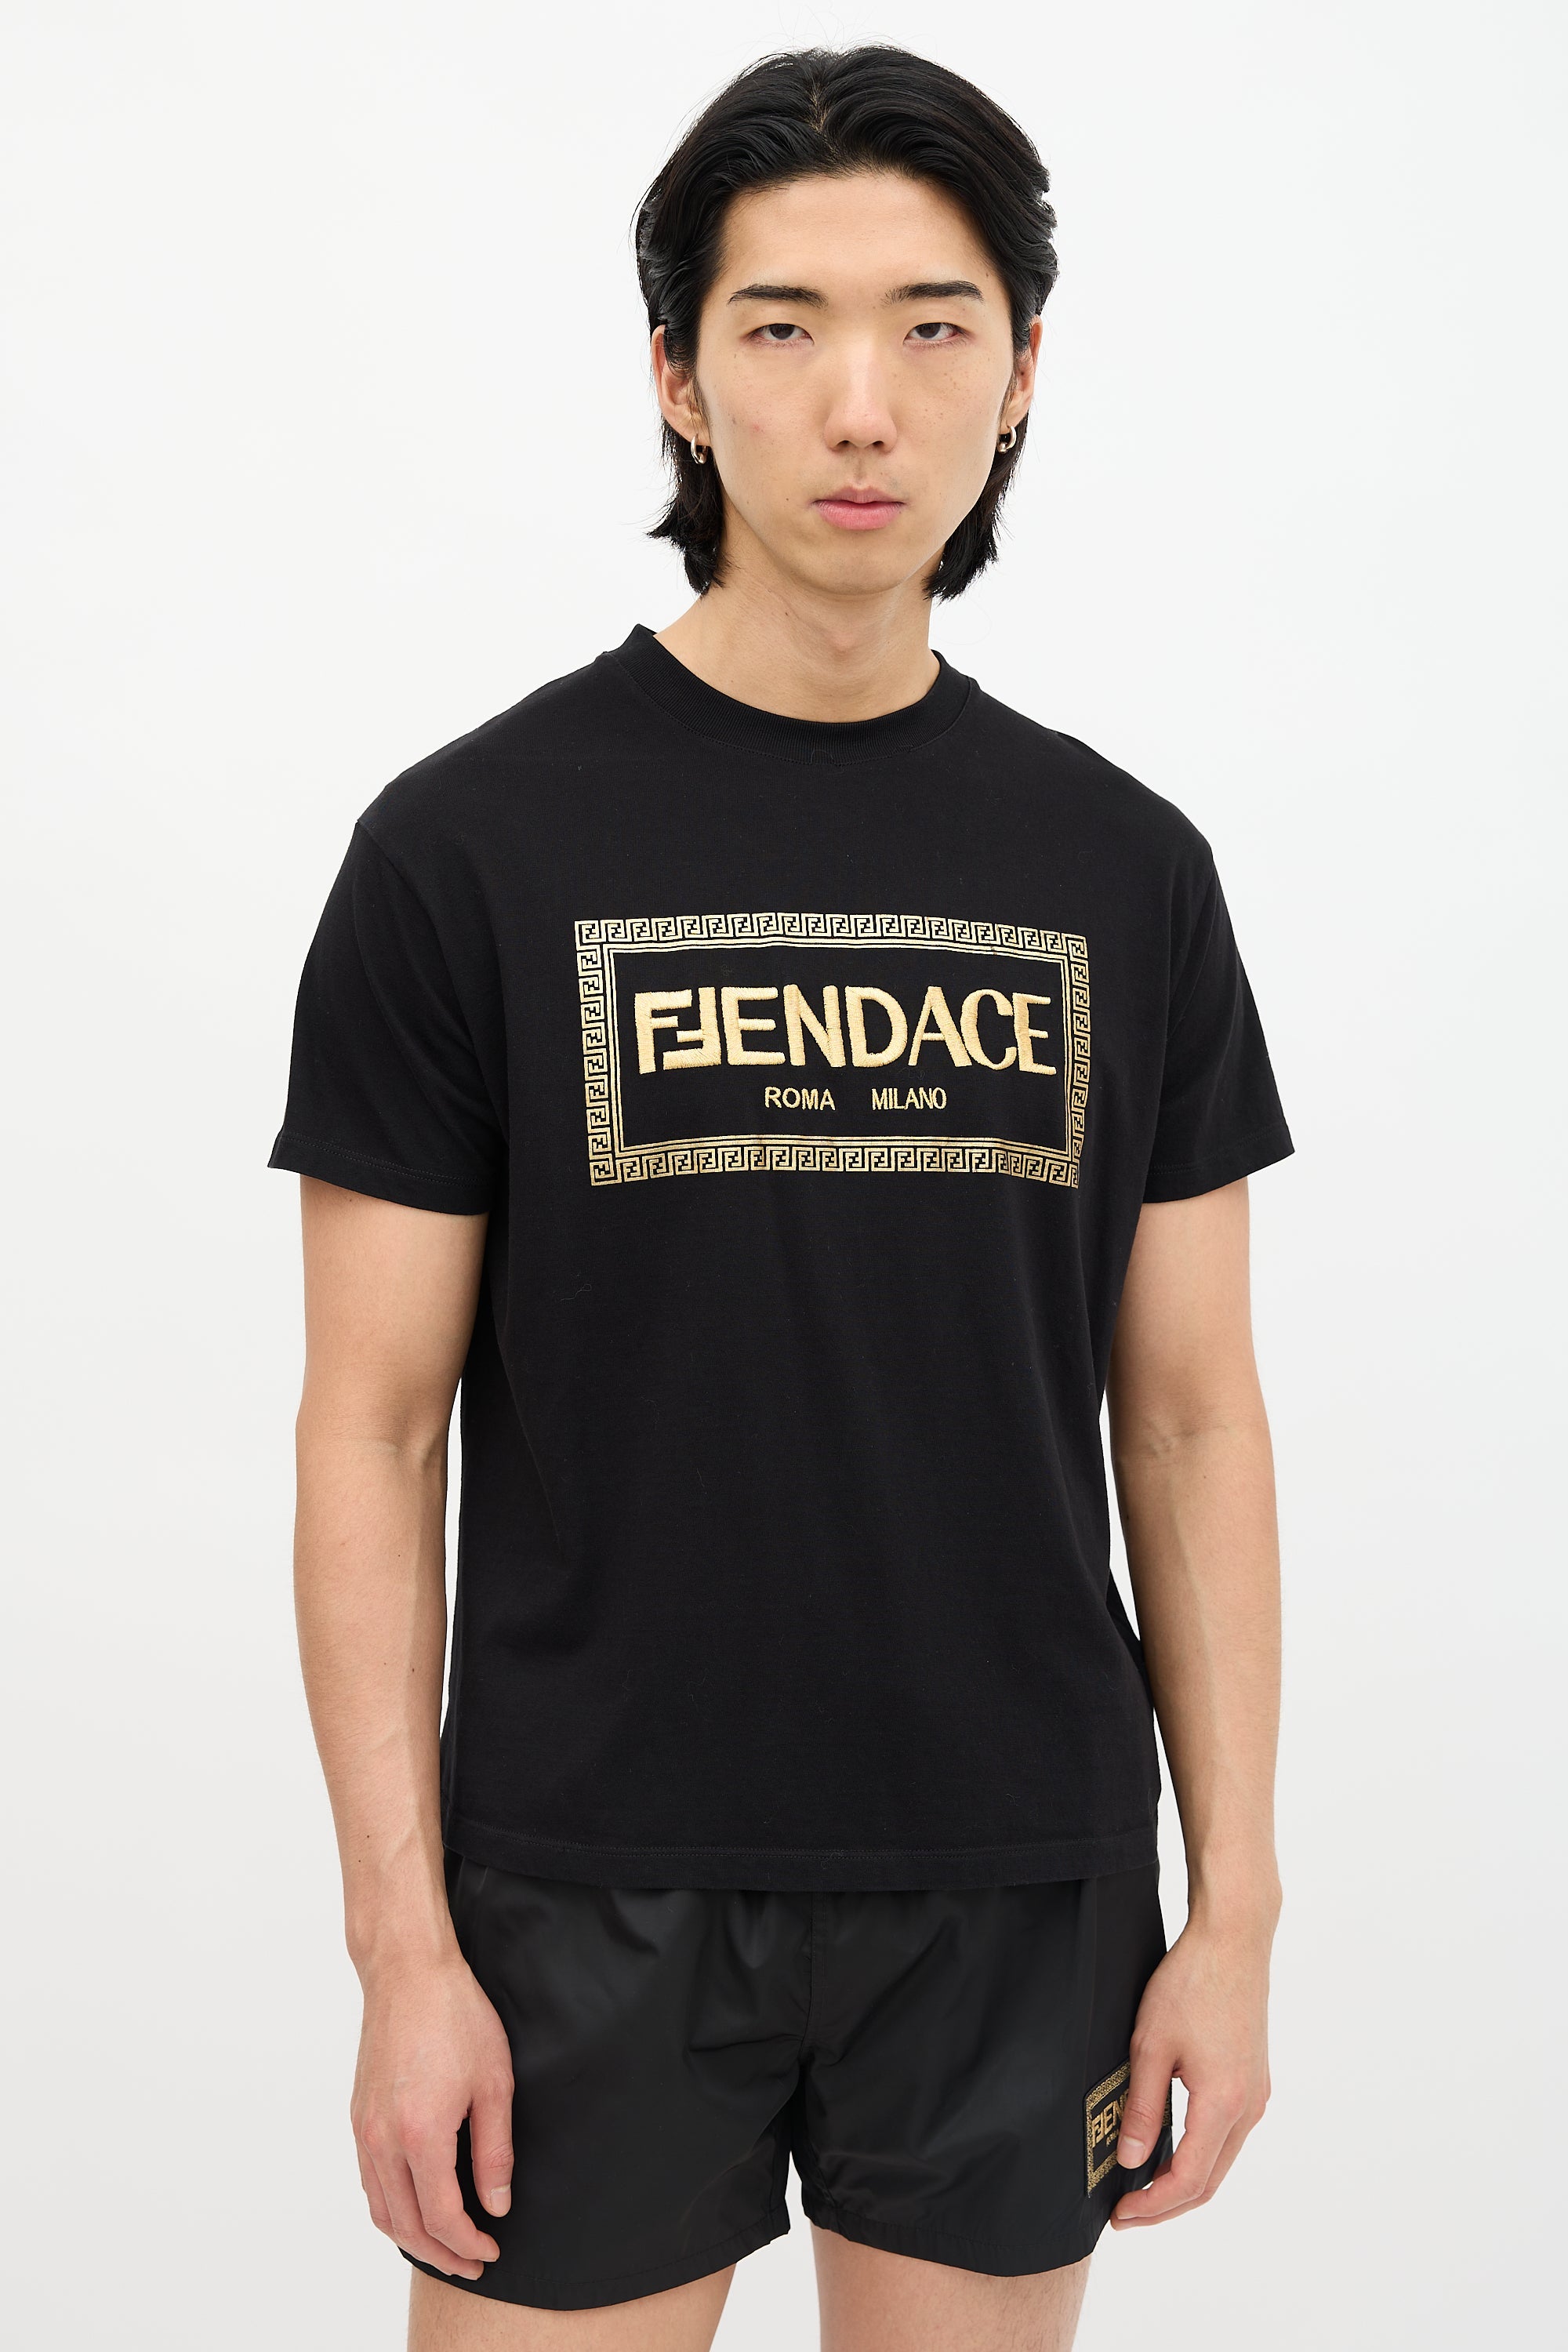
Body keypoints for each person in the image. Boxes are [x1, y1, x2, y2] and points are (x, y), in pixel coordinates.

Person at [270, 43, 1292, 2352]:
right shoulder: (465, 850)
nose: (861, 404)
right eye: (783, 325)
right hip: (586, 1879)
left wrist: (1232, 1911)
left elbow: (1194, 1416)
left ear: (1020, 375)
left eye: (934, 328)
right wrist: (402, 1947)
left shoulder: (1125, 868)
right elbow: (372, 1426)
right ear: (677, 376)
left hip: (1016, 1872)